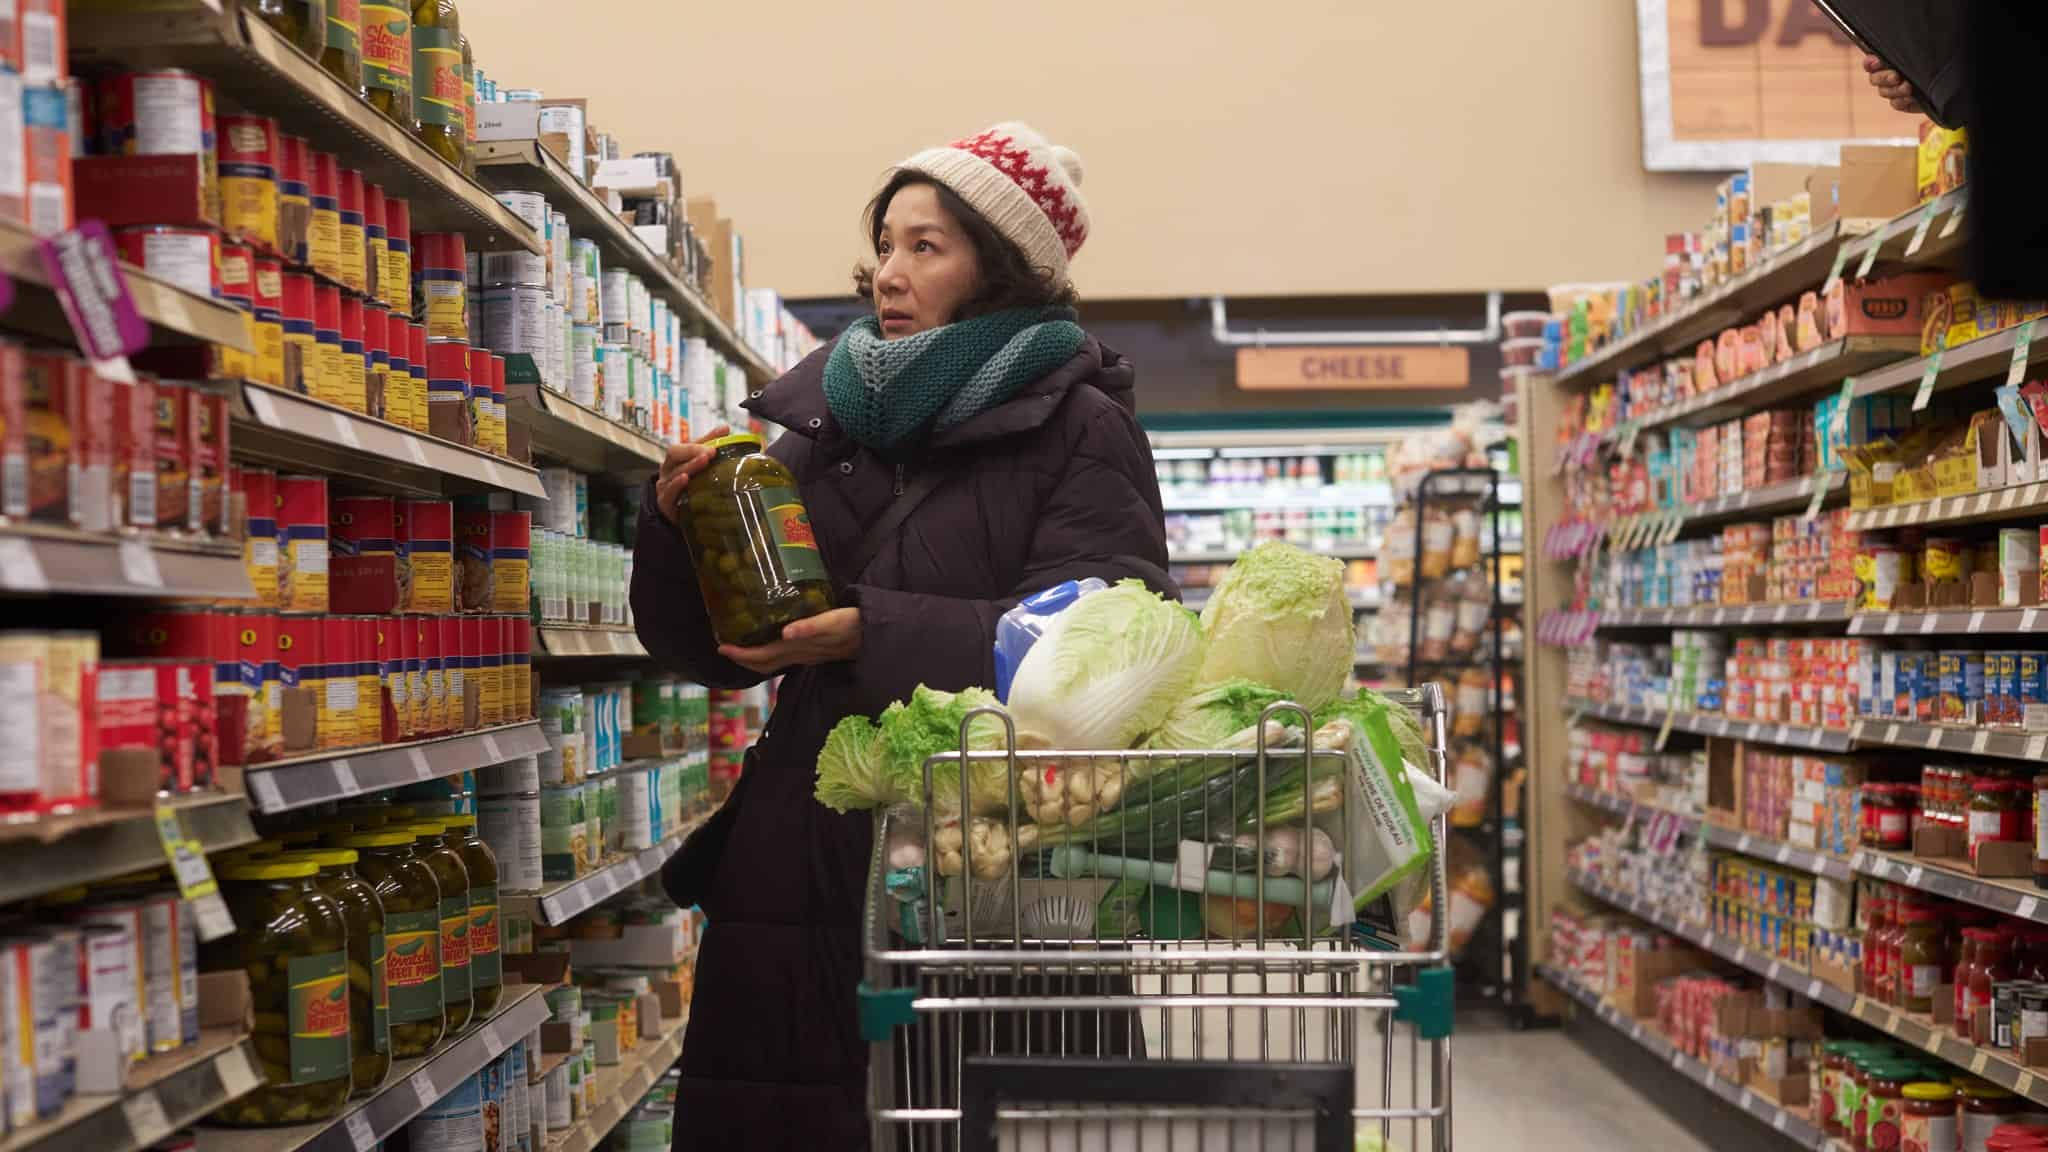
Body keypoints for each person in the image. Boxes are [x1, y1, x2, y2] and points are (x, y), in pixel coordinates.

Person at [632, 121, 1174, 1150]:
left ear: (1000, 271)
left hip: (998, 860)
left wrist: (867, 634)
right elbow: (711, 654)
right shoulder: (820, 427)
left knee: (971, 1118)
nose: (889, 271)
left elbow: (1102, 645)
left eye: (926, 247)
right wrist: (674, 531)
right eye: (885, 243)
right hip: (802, 851)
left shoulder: (1081, 429)